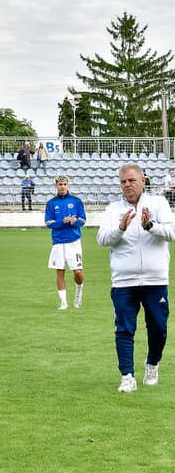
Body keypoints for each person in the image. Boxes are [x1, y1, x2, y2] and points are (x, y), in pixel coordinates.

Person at [96, 163, 175, 393]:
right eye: (123, 182)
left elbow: (171, 231)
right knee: (124, 329)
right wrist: (120, 228)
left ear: (143, 180)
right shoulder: (113, 209)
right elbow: (102, 239)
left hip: (155, 280)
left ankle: (152, 363)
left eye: (131, 180)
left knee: (159, 328)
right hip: (123, 281)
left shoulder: (158, 204)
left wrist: (151, 226)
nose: (127, 185)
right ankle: (127, 376)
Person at [44, 175, 86, 310]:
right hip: (58, 242)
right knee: (60, 271)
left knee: (78, 272)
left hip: (73, 241)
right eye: (60, 184)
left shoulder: (76, 201)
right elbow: (48, 223)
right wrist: (61, 222)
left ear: (68, 185)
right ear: (56, 185)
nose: (62, 187)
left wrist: (75, 221)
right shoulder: (51, 203)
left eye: (65, 184)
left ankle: (78, 293)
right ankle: (63, 302)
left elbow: (83, 220)